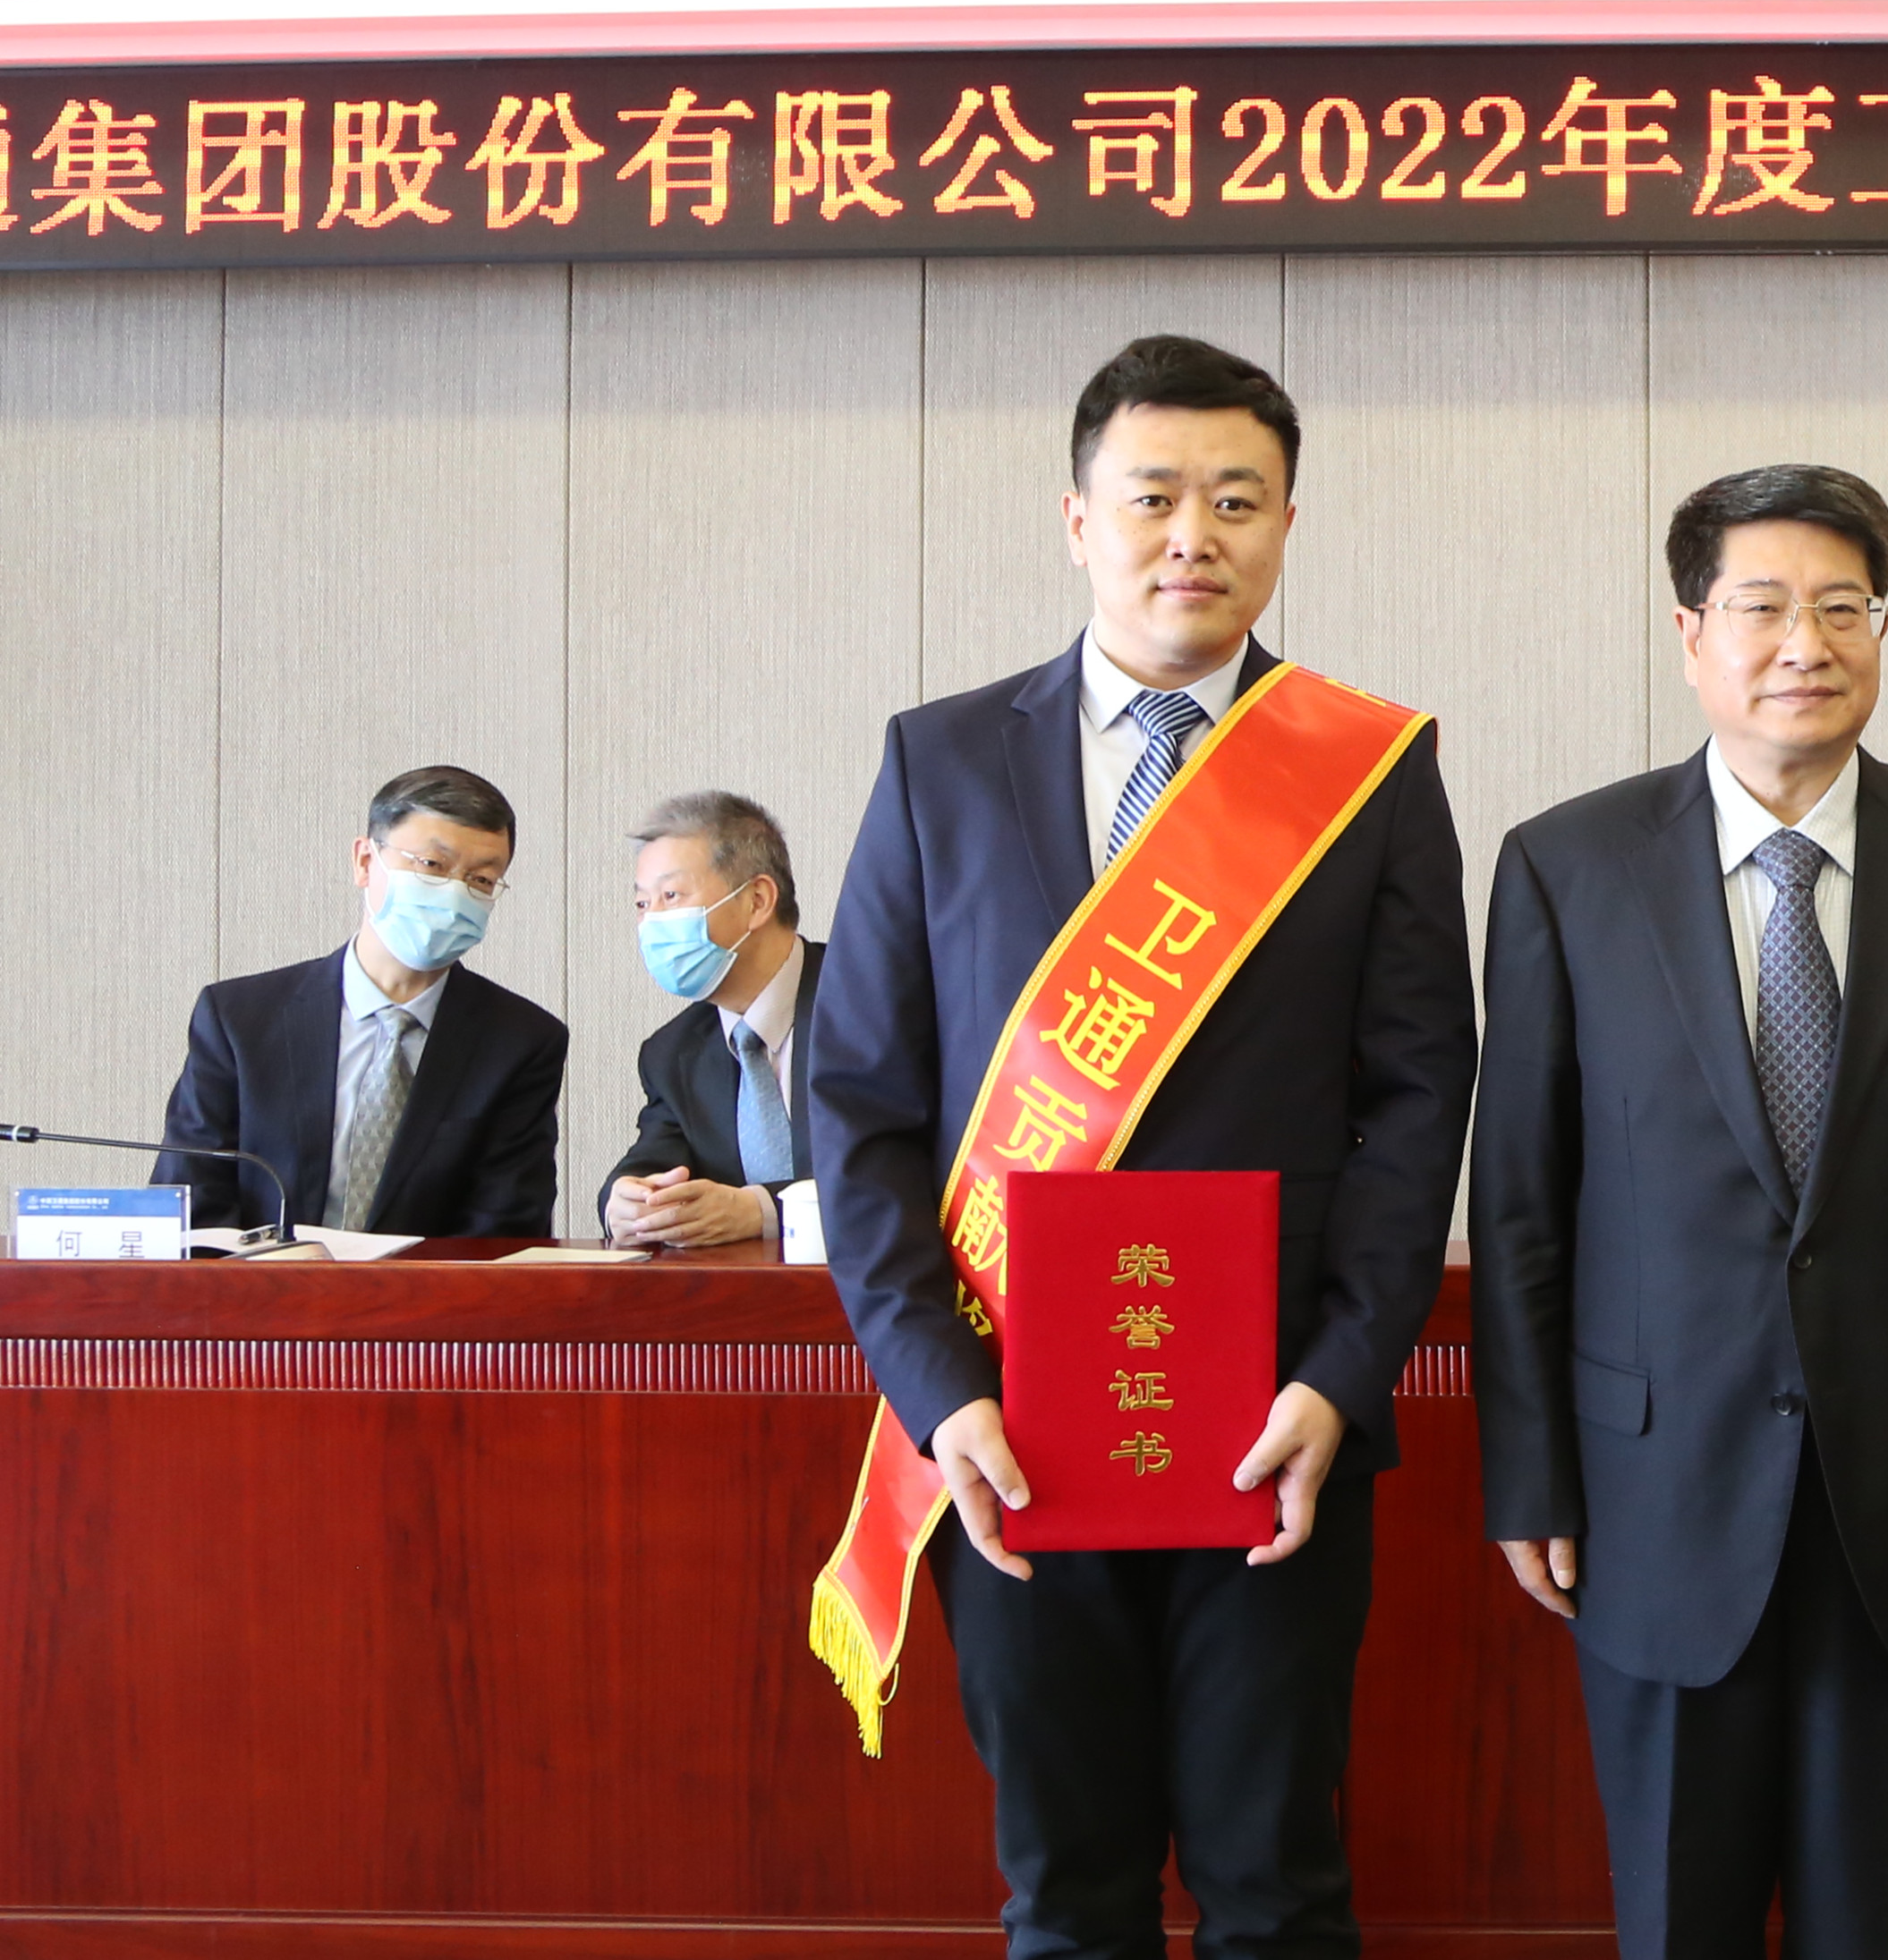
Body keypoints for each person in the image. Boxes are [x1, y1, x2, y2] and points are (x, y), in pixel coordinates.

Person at [812, 335, 1475, 1960]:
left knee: (1277, 1890)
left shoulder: (1369, 772)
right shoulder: (940, 761)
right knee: (1067, 1895)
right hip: (1010, 1427)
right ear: (1076, 519)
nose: (1195, 534)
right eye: (1154, 496)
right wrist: (940, 1392)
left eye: (1236, 500)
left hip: (1273, 1432)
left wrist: (1339, 1377)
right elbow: (864, 1109)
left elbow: (1415, 1103)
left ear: (1287, 525)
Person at [1470, 462, 1888, 1960]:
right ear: (1692, 633)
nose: (1804, 642)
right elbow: (1521, 1204)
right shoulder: (1567, 866)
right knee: (1675, 1919)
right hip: (1650, 1498)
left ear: (1880, 629)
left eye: (1842, 606)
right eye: (1761, 606)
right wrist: (1530, 1474)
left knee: (1873, 1921)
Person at [154, 765, 564, 1238]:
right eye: (432, 865)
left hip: (430, 1286)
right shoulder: (240, 1018)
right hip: (260, 1282)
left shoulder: (521, 1041)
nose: (455, 894)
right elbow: (192, 1205)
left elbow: (503, 1229)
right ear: (366, 861)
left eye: (481, 880)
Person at [599, 790, 819, 1248]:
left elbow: (913, 1166)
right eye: (642, 904)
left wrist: (762, 1210)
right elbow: (654, 1158)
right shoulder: (672, 1051)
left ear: (757, 900)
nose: (651, 923)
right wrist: (627, 1200)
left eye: (671, 896)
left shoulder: (872, 1004)